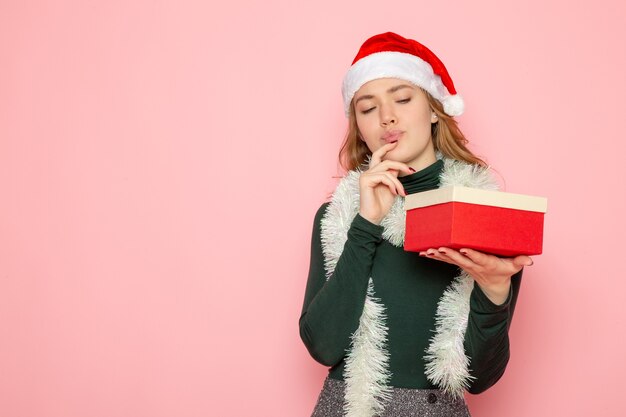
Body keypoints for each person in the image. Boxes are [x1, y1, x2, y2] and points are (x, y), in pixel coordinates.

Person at [299, 32, 533, 417]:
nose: (387, 116)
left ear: (435, 109)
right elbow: (322, 345)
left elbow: (478, 379)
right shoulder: (337, 218)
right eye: (367, 108)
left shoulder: (485, 216)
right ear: (358, 125)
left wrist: (495, 289)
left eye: (403, 98)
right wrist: (366, 223)